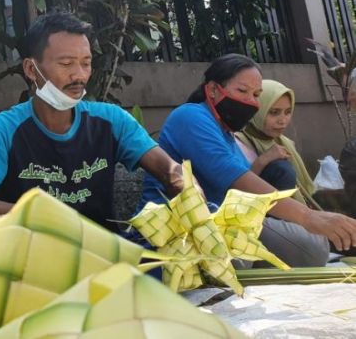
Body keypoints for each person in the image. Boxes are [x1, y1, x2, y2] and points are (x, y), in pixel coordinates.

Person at [0, 12, 185, 257]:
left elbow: (168, 171)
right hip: (34, 253)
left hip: (102, 253)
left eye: (86, 63)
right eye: (66, 64)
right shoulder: (2, 130)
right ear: (31, 69)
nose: (79, 75)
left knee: (163, 257)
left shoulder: (111, 120)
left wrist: (189, 193)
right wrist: (43, 216)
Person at [138, 53, 356, 267]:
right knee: (288, 251)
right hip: (182, 224)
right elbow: (238, 179)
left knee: (314, 247)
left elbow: (246, 188)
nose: (251, 102)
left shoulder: (227, 132)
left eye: (256, 95)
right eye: (242, 91)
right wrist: (307, 217)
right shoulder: (190, 117)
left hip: (229, 220)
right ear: (213, 89)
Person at [235, 80, 321, 209]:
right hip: (258, 216)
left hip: (294, 212)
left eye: (287, 112)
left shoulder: (284, 142)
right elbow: (236, 190)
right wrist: (263, 160)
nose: (283, 121)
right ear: (256, 111)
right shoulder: (238, 142)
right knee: (281, 168)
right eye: (274, 112)